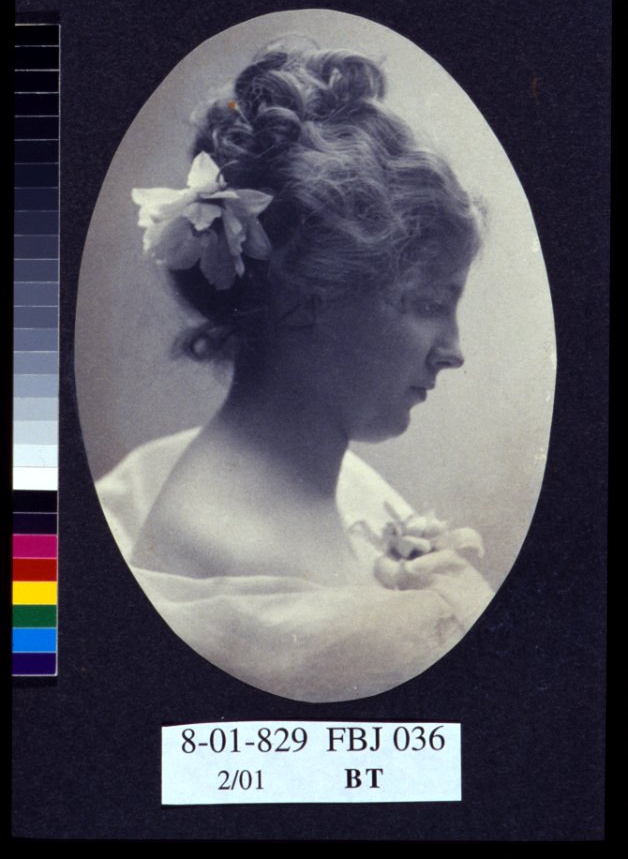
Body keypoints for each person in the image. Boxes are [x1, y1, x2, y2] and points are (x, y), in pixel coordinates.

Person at [97, 43, 494, 702]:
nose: (453, 350)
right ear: (307, 297)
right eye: (427, 304)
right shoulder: (234, 550)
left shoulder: (334, 482)